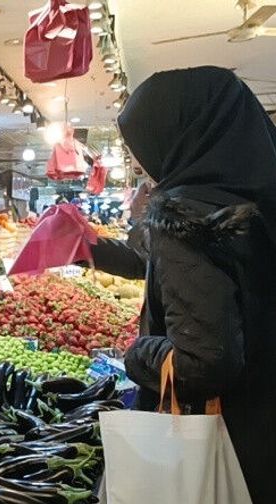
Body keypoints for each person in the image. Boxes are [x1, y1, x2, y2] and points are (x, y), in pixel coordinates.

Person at [117, 66, 276, 502]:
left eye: (139, 143)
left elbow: (204, 365)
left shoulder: (188, 217)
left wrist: (139, 353)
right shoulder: (254, 204)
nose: (138, 159)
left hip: (231, 444)